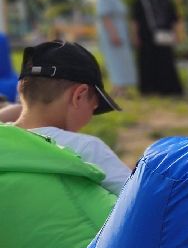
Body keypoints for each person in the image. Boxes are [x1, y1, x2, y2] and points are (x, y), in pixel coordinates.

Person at [1, 41, 129, 195]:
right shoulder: (87, 149)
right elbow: (138, 199)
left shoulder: (5, 142)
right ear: (79, 96)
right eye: (94, 107)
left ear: (19, 88)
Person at [131, 0, 184, 96]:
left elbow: (174, 18)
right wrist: (135, 36)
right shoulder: (139, 0)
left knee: (166, 61)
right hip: (146, 36)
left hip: (164, 35)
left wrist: (177, 34)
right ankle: (148, 89)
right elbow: (135, 20)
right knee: (147, 62)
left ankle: (168, 89)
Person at [94, 0, 136, 97]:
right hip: (111, 32)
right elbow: (105, 17)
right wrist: (113, 34)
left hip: (120, 30)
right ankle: (119, 89)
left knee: (122, 60)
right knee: (115, 60)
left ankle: (119, 88)